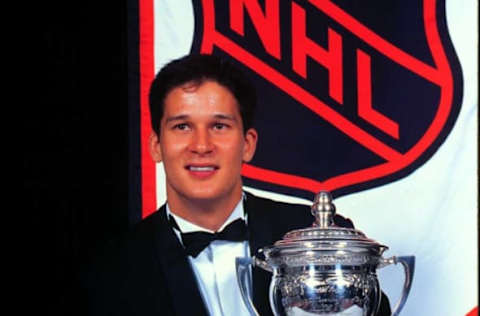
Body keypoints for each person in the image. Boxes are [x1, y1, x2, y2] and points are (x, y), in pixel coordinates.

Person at [78, 54, 391, 316]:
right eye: (182, 126)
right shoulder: (113, 270)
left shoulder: (318, 238)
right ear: (156, 146)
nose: (201, 145)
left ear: (248, 144)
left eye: (219, 126)